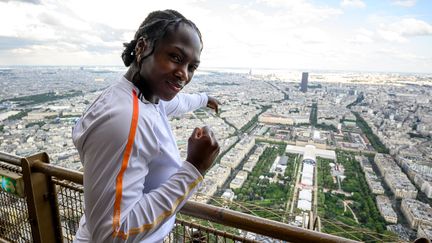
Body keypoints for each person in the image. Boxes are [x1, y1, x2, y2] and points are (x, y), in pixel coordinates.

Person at [72, 9, 220, 242]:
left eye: (192, 67)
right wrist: (194, 168)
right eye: (176, 57)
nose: (184, 74)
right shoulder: (124, 120)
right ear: (142, 48)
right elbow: (112, 235)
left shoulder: (142, 96)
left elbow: (177, 103)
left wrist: (204, 99)